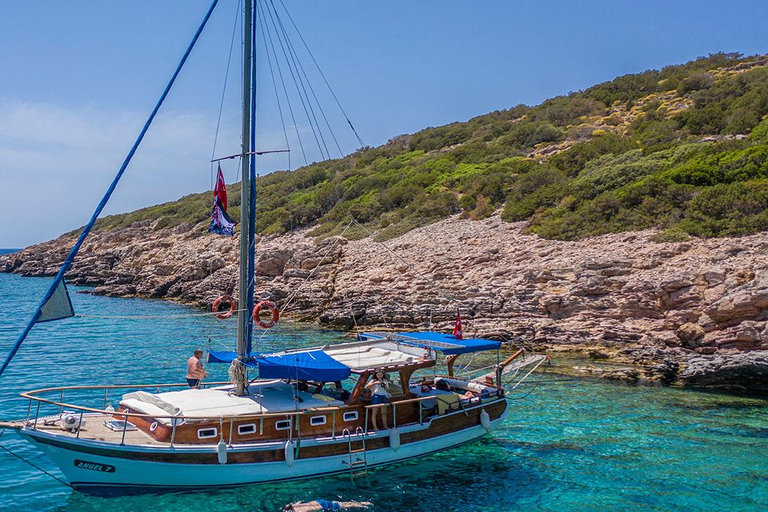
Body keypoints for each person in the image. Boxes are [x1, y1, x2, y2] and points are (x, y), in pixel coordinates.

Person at [282, 500, 372, 512]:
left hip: (324, 507)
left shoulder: (299, 511)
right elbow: (299, 501)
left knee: (347, 506)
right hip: (318, 501)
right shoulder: (294, 505)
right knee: (344, 503)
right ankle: (364, 503)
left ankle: (365, 504)